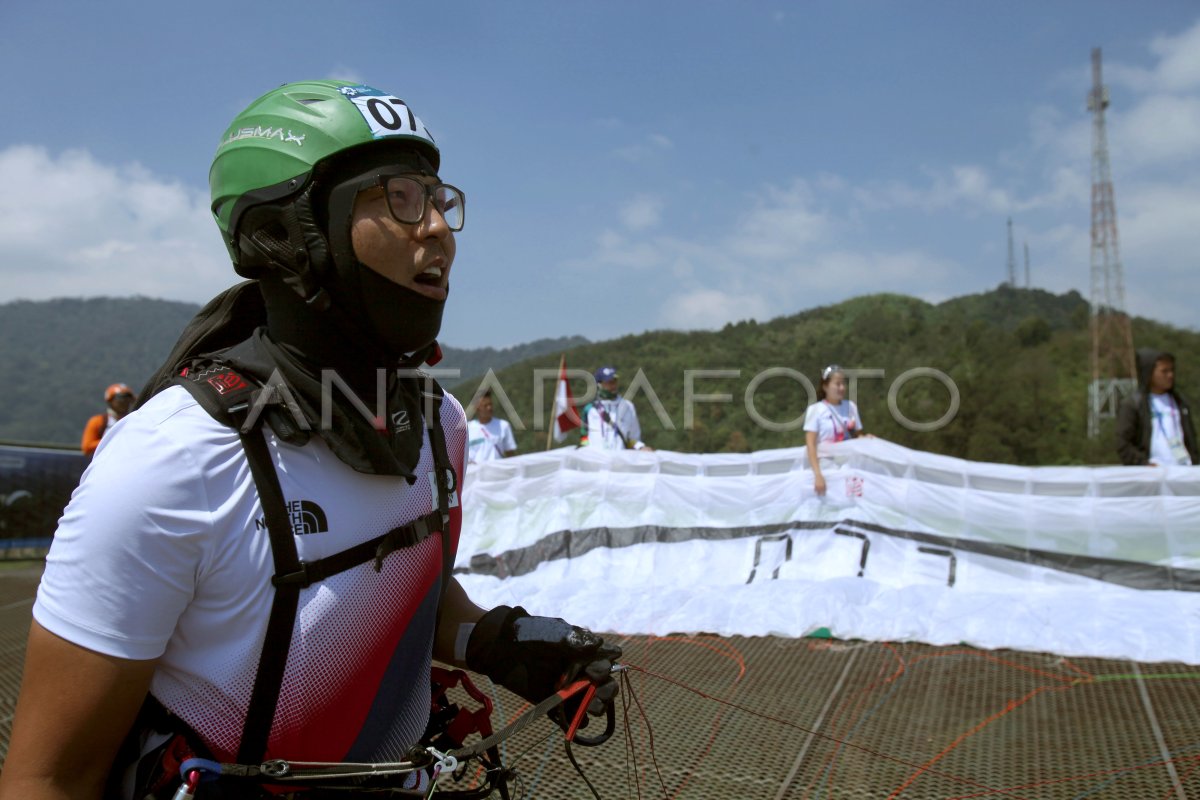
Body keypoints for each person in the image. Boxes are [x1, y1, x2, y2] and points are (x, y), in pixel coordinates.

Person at [0, 80, 619, 800]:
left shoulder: (439, 426)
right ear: (284, 236)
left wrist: (496, 641)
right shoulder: (174, 462)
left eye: (437, 197)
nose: (439, 229)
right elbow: (47, 777)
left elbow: (396, 585)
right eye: (398, 198)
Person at [1116, 348, 1197, 466]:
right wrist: (1143, 464)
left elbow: (1190, 439)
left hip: (1183, 472)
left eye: (1172, 370)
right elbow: (1123, 443)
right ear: (1149, 373)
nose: (1170, 375)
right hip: (1152, 476)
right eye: (1164, 371)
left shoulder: (1180, 403)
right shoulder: (1133, 404)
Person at [804, 364, 866, 496]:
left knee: (851, 505)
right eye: (837, 384)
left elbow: (858, 437)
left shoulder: (851, 407)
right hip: (826, 467)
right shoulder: (816, 410)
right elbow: (811, 444)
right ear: (825, 386)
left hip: (850, 467)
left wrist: (867, 439)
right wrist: (818, 475)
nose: (842, 388)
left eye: (843, 384)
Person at [581, 365, 652, 451]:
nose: (613, 385)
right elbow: (584, 436)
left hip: (620, 461)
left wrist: (640, 447)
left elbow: (633, 437)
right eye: (608, 382)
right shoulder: (590, 409)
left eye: (614, 381)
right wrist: (584, 451)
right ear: (599, 385)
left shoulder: (628, 406)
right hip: (597, 461)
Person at [80, 382, 136, 456]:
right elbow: (87, 448)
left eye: (128, 399)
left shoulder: (134, 421)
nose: (124, 402)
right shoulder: (97, 421)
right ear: (110, 400)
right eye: (120, 398)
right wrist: (115, 439)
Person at [467, 390, 517, 463]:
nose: (489, 408)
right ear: (476, 407)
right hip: (476, 473)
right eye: (485, 406)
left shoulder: (504, 426)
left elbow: (511, 455)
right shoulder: (466, 429)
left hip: (498, 472)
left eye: (490, 404)